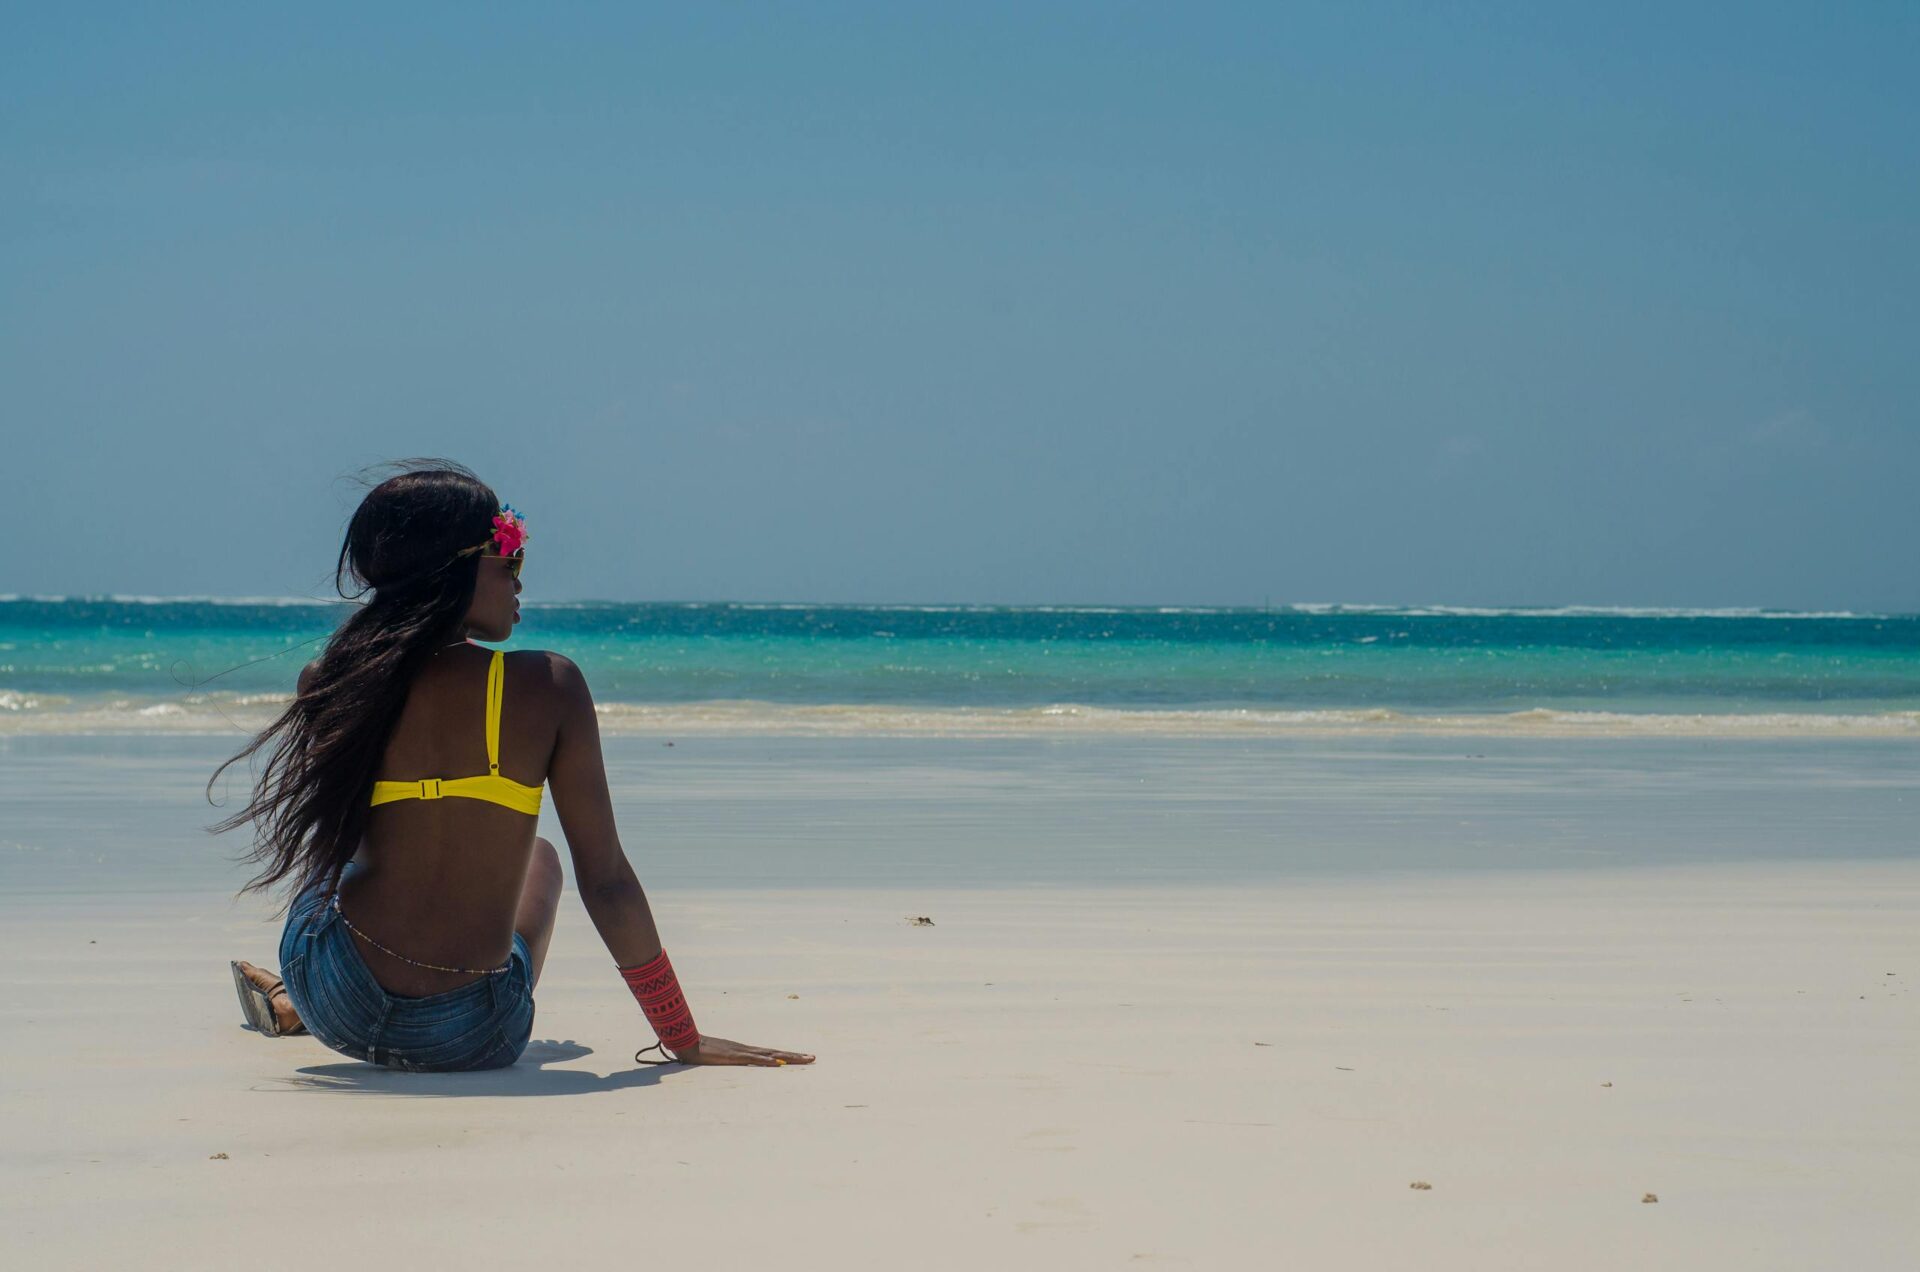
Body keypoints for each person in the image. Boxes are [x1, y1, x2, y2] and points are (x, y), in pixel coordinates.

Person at [215, 460, 814, 1072]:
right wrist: (683, 1037)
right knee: (543, 857)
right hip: (475, 1033)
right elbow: (605, 880)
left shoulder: (330, 681)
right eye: (511, 561)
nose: (521, 583)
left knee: (332, 864)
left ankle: (295, 1002)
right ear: (459, 569)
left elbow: (333, 848)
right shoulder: (549, 685)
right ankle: (318, 1003)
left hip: (337, 1004)